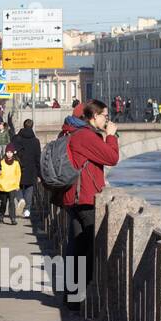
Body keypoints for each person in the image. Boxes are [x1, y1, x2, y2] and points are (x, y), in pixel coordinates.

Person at [58, 99, 120, 298]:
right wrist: (110, 136)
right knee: (86, 250)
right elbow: (112, 158)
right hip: (85, 198)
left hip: (73, 196)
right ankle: (78, 295)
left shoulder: (70, 132)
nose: (107, 120)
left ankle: (72, 295)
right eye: (105, 116)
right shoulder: (86, 136)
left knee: (76, 246)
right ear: (94, 116)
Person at [12, 118, 42, 218]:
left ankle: (20, 199)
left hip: (18, 166)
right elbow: (38, 157)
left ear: (23, 126)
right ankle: (27, 210)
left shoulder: (16, 138)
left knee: (17, 185)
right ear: (32, 126)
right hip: (32, 168)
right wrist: (39, 173)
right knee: (29, 188)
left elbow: (11, 151)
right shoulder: (36, 141)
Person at [0, 144, 21, 226]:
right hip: (3, 186)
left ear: (13, 153)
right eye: (7, 152)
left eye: (10, 152)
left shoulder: (16, 163)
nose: (9, 154)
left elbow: (18, 175)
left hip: (12, 186)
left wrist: (17, 185)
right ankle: (1, 216)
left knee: (12, 202)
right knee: (3, 202)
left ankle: (13, 218)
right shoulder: (1, 162)